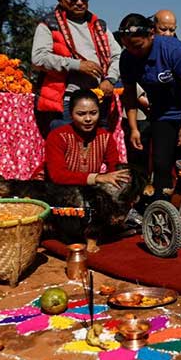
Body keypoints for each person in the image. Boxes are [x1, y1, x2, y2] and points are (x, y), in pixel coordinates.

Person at [119, 13, 181, 227]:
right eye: (128, 47)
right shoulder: (128, 58)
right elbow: (130, 95)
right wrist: (133, 128)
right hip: (162, 112)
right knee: (160, 163)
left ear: (151, 35)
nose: (134, 51)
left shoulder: (174, 50)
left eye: (138, 46)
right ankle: (161, 214)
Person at [32, 0, 121, 138]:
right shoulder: (49, 24)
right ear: (61, 0)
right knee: (66, 150)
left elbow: (117, 56)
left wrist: (110, 79)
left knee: (97, 151)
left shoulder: (99, 25)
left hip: (99, 100)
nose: (79, 3)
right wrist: (77, 65)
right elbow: (38, 58)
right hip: (66, 102)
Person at [45, 89, 131, 251]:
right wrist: (97, 178)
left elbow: (115, 168)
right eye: (81, 114)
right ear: (71, 114)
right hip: (55, 191)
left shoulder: (105, 137)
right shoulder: (57, 136)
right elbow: (57, 175)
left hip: (85, 193)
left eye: (93, 113)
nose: (88, 119)